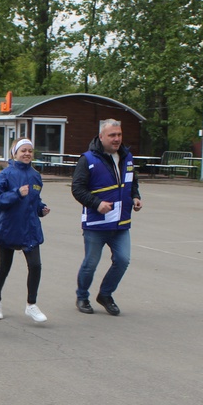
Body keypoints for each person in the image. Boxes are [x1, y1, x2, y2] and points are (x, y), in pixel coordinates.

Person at [71, 119, 142, 316]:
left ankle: (105, 294)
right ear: (101, 137)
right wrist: (97, 204)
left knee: (122, 260)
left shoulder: (127, 157)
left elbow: (132, 181)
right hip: (96, 223)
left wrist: (135, 197)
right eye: (112, 135)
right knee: (91, 263)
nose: (117, 139)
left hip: (121, 223)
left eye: (119, 134)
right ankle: (82, 296)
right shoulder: (88, 160)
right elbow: (77, 189)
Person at [0, 138, 50, 323]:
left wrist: (41, 209)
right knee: (4, 267)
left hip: (30, 229)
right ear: (14, 153)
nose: (27, 154)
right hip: (9, 228)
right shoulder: (6, 175)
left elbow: (35, 200)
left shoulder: (35, 175)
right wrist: (16, 194)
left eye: (30, 151)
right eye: (23, 150)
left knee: (36, 266)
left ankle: (31, 305)